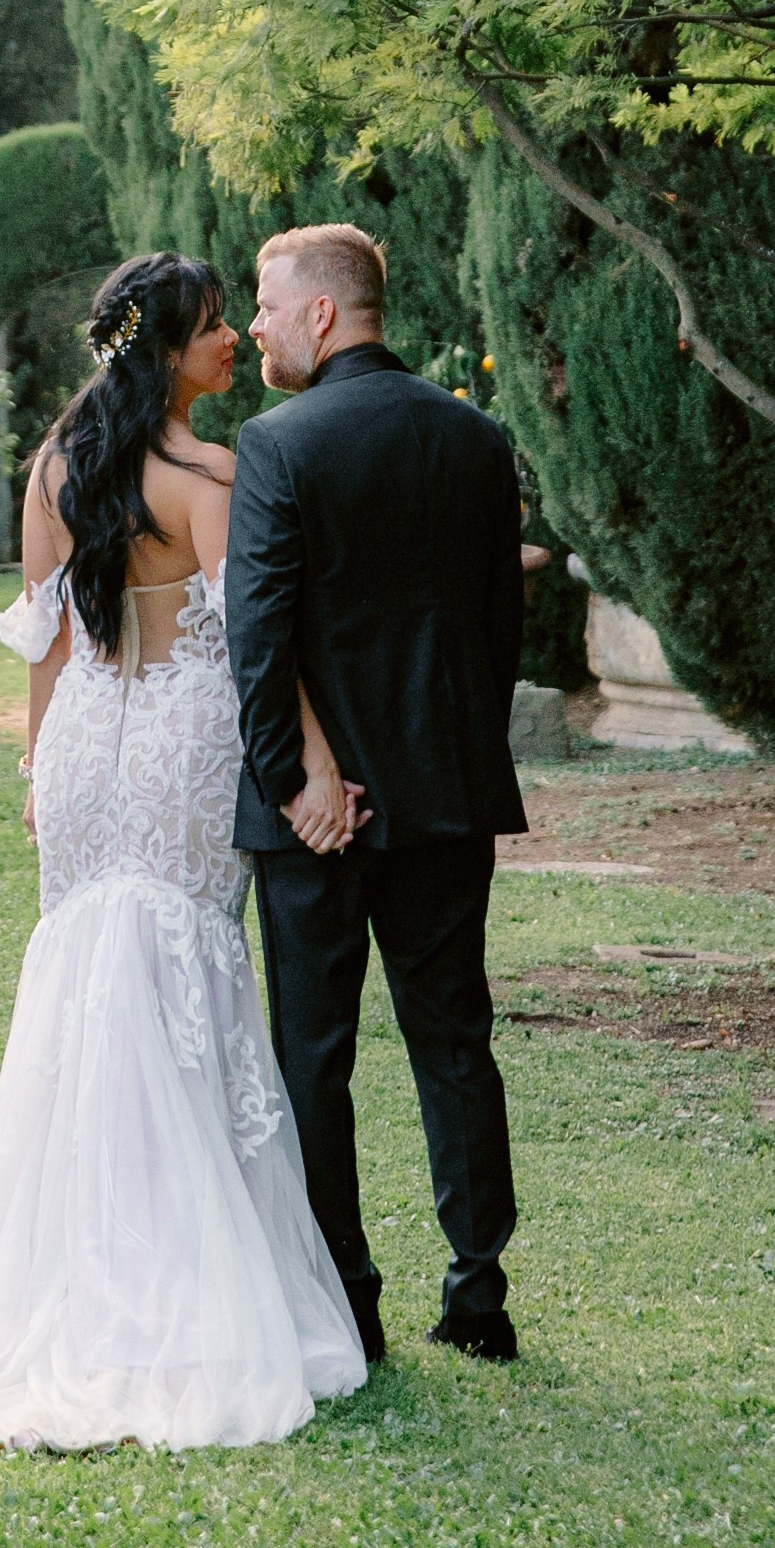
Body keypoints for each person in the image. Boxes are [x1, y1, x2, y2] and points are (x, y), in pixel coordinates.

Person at [0, 252, 367, 1451]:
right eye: (212, 327)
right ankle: (180, 1279)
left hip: (82, 740)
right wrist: (317, 765)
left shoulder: (54, 467)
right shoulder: (209, 475)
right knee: (180, 961)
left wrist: (39, 767)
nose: (231, 340)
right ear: (165, 349)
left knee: (89, 973)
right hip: (178, 736)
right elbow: (253, 651)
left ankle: (79, 1256)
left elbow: (45, 643)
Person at [225, 224, 528, 1367]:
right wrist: (440, 760)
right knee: (454, 1042)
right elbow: (497, 630)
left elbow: (257, 644)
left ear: (320, 313)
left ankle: (344, 1300)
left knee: (315, 1054)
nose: (252, 325)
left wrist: (295, 785)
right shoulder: (475, 438)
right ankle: (478, 1291)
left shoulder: (276, 444)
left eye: (263, 303)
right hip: (443, 800)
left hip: (314, 818)